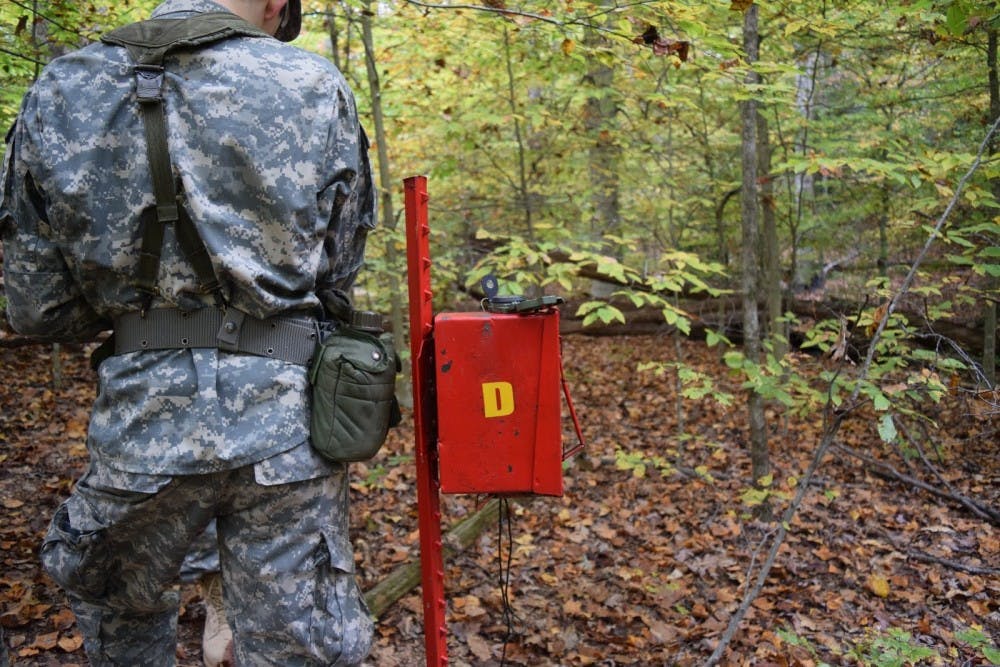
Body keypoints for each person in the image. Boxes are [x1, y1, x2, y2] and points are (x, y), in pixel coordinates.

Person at [0, 0, 376, 664]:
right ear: (275, 5)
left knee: (123, 620)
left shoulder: (61, 89)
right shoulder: (313, 85)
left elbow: (36, 307)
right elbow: (337, 281)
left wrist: (144, 315)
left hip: (139, 426)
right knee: (300, 647)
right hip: (286, 431)